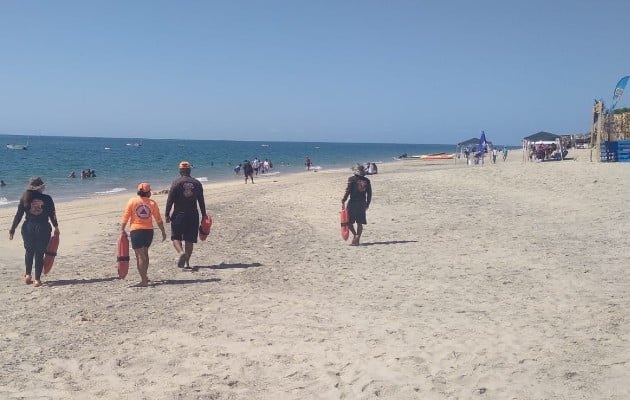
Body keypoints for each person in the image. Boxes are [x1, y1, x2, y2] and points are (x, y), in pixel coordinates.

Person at [8, 177, 60, 287]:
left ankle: (27, 275)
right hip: (43, 228)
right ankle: (37, 280)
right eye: (43, 185)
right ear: (39, 187)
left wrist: (12, 229)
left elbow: (18, 215)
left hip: (28, 228)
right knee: (40, 253)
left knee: (29, 251)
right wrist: (56, 227)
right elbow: (52, 214)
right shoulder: (47, 198)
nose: (44, 187)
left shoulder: (25, 197)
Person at [120, 182, 167, 287]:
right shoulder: (152, 203)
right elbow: (158, 219)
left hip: (136, 231)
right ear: (148, 192)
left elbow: (126, 216)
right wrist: (163, 231)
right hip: (149, 232)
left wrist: (122, 229)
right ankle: (145, 277)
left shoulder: (132, 201)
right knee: (145, 254)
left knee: (140, 256)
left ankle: (144, 281)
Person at [165, 161, 208, 269]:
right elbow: (201, 201)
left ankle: (181, 253)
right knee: (189, 240)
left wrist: (166, 214)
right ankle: (187, 263)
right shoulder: (197, 183)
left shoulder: (176, 183)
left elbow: (170, 200)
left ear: (180, 171)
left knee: (176, 237)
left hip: (179, 214)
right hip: (193, 214)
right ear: (189, 170)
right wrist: (204, 215)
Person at [341, 163, 372, 246]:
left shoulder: (351, 179)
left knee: (349, 222)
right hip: (362, 203)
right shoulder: (367, 181)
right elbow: (369, 194)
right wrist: (367, 204)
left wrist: (343, 200)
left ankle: (355, 235)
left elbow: (348, 191)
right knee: (360, 222)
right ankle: (357, 238)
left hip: (353, 203)